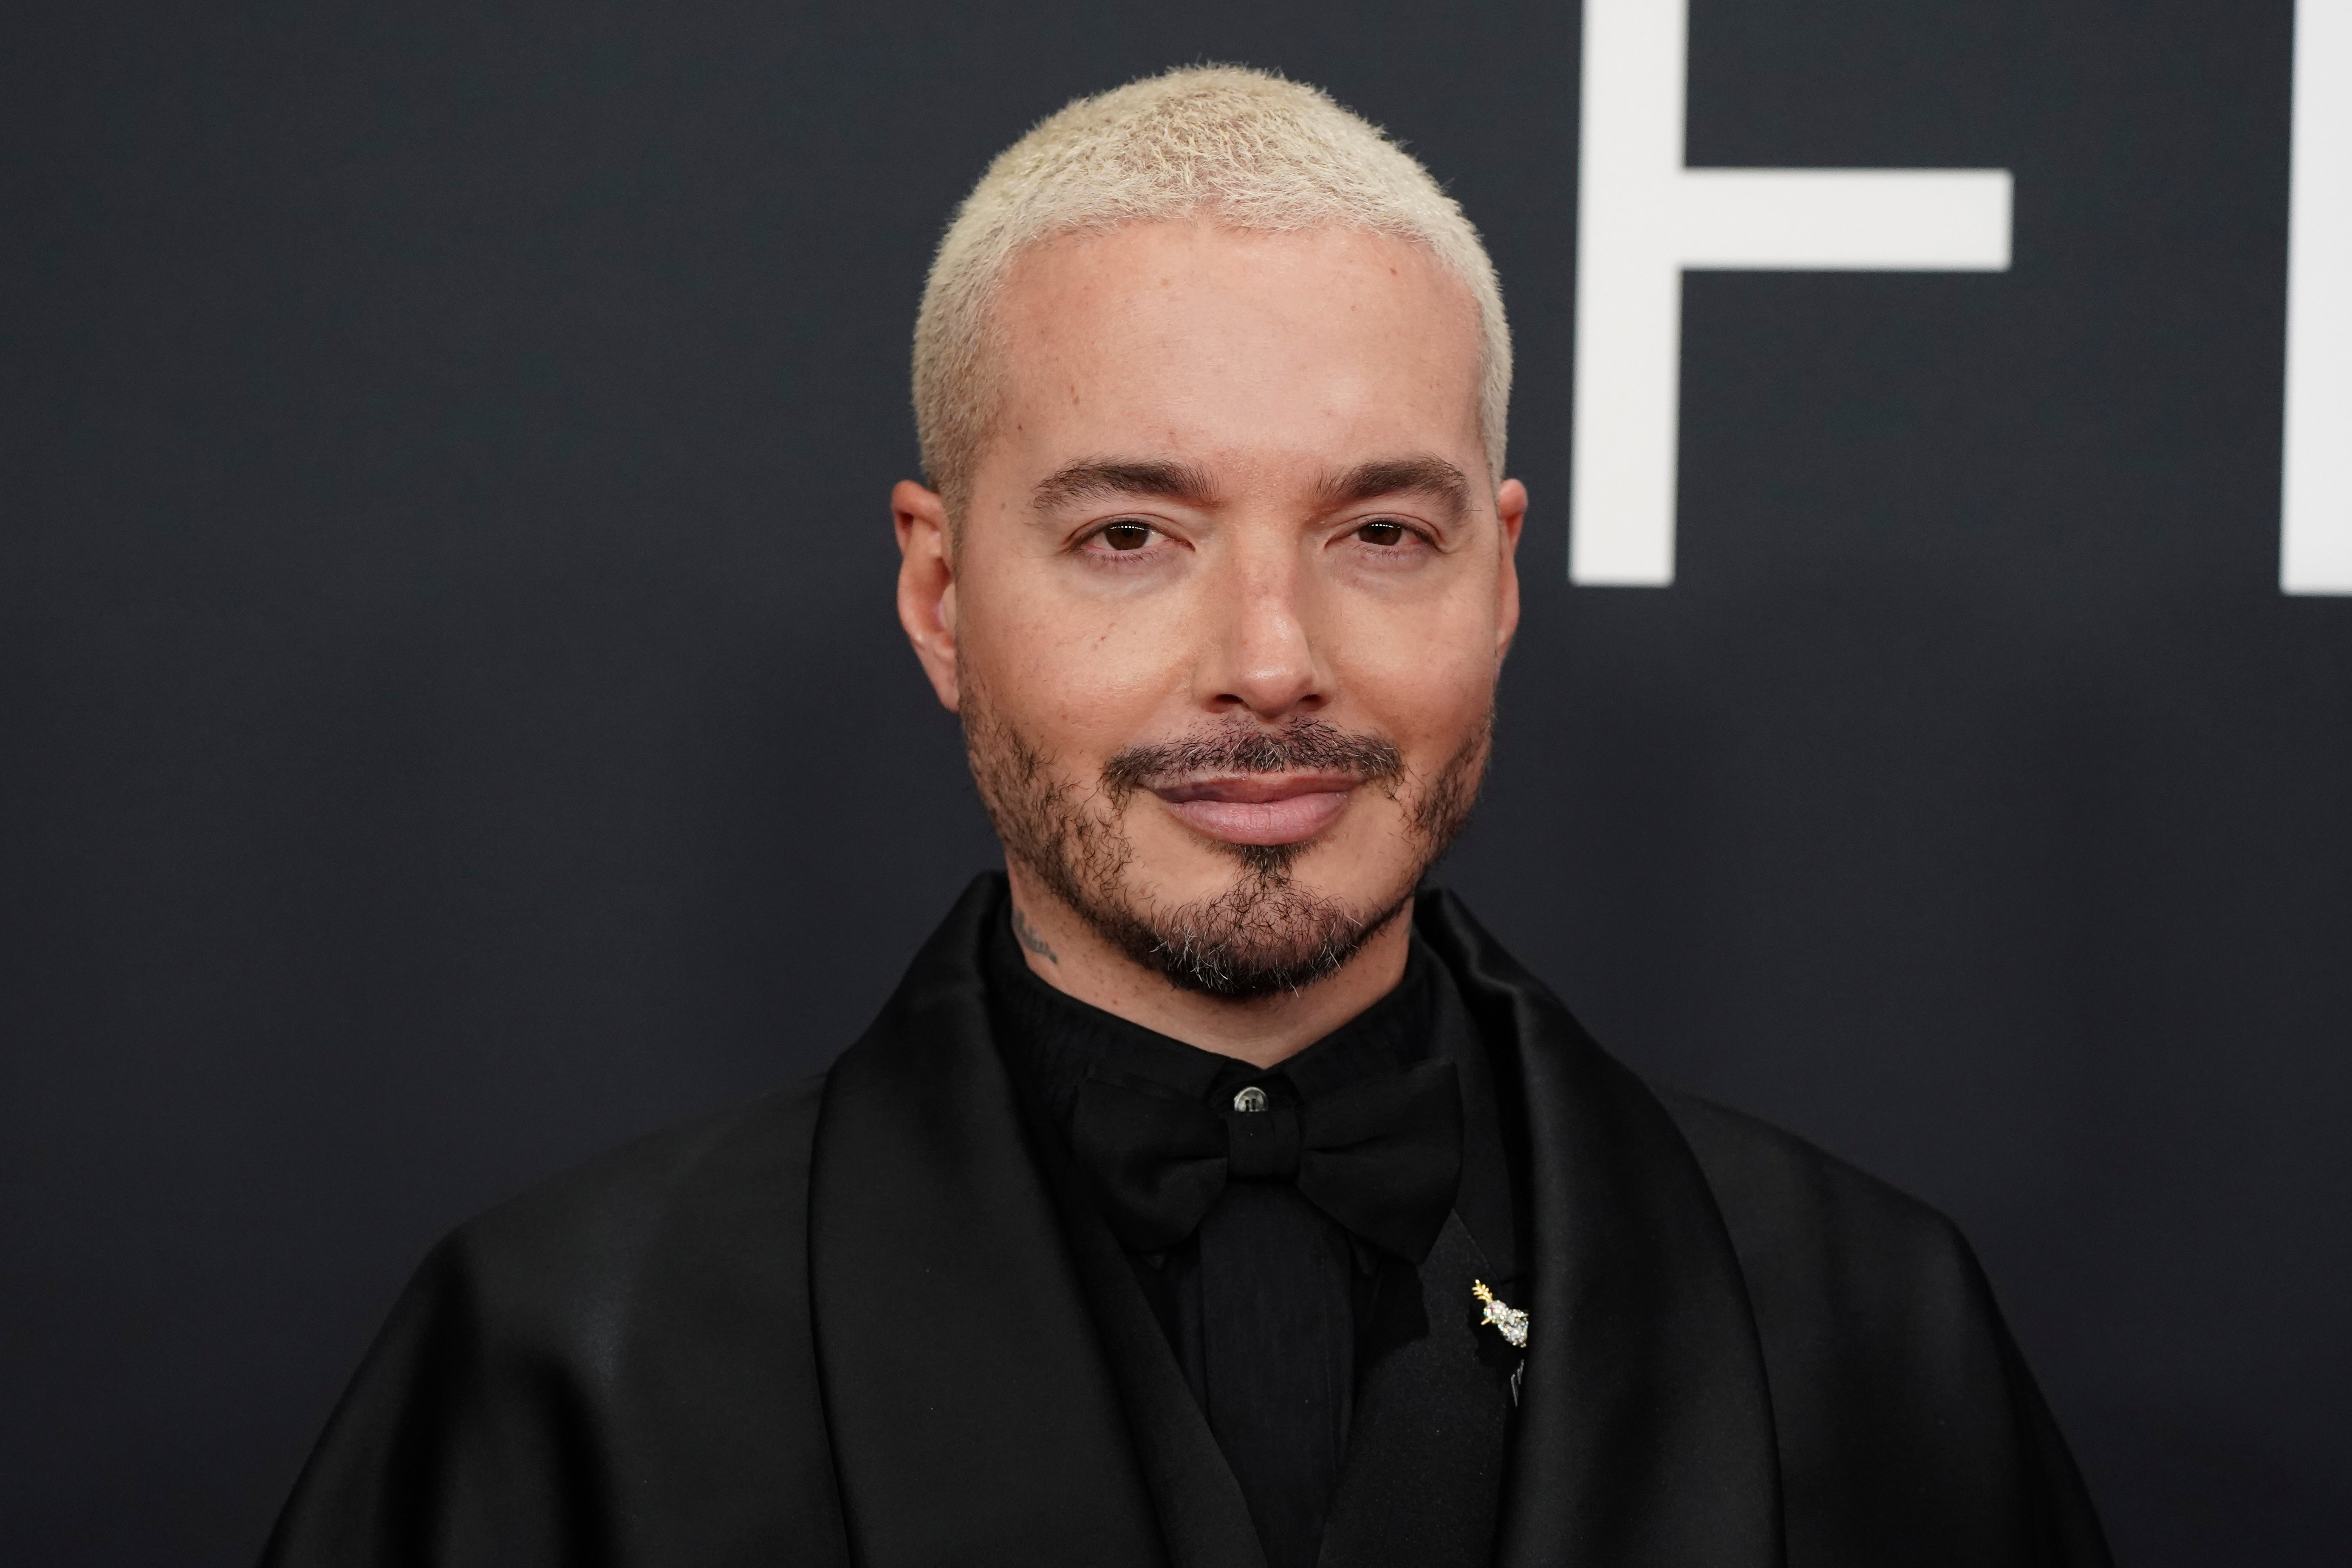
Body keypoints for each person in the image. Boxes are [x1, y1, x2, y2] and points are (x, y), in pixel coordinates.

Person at [260, 66, 2109, 1568]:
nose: (1271, 661)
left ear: (1501, 576)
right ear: (940, 596)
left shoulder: (1864, 1321)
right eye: (1129, 536)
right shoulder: (566, 1354)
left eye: (1381, 532)